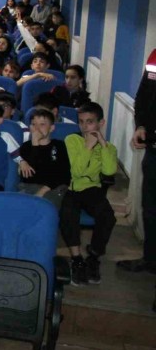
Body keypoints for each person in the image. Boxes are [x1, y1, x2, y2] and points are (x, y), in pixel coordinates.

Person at [61, 102, 118, 286]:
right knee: (68, 213)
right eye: (81, 121)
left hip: (92, 189)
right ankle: (77, 259)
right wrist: (87, 147)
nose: (85, 126)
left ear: (101, 123)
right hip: (72, 188)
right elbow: (76, 172)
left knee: (107, 216)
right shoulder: (72, 140)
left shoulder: (109, 147)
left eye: (90, 121)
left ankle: (93, 256)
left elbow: (109, 171)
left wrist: (103, 146)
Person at [119, 52, 156, 274]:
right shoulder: (155, 58)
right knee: (150, 209)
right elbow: (144, 96)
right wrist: (141, 125)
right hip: (154, 149)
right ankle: (151, 260)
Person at [17, 109, 71, 209]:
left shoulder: (59, 146)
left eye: (42, 124)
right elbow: (28, 176)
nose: (37, 128)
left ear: (51, 128)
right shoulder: (25, 147)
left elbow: (64, 175)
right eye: (33, 124)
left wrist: (42, 191)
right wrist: (35, 145)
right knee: (19, 208)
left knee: (44, 207)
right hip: (28, 187)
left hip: (53, 188)